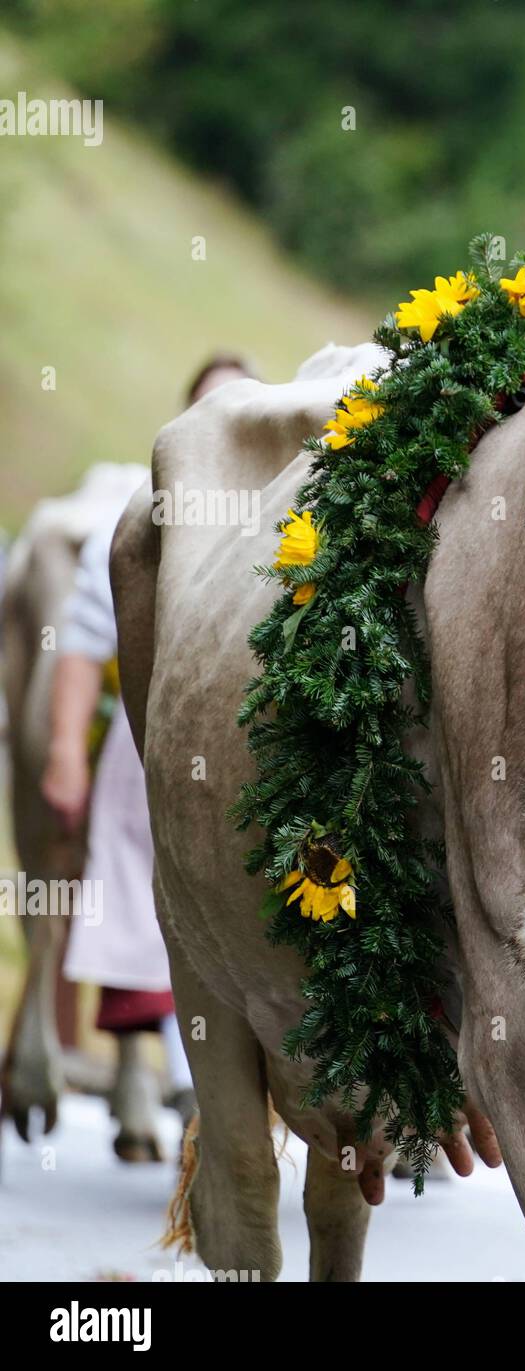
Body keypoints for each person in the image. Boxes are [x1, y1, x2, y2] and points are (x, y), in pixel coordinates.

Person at [40, 354, 255, 1159]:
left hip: (242, 750)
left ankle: (203, 1091)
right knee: (137, 904)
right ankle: (147, 1072)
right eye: (209, 404)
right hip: (146, 743)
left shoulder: (277, 509)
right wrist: (66, 750)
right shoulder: (142, 512)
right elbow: (86, 637)